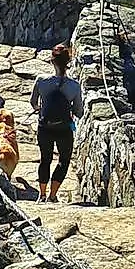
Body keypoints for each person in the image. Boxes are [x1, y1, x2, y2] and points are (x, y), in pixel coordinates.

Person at [31, 44, 84, 203]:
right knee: (63, 160)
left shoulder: (41, 81)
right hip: (64, 129)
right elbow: (78, 112)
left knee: (45, 159)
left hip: (44, 127)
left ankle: (42, 195)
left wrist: (41, 108)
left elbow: (33, 102)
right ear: (68, 62)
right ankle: (53, 196)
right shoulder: (74, 86)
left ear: (52, 61)